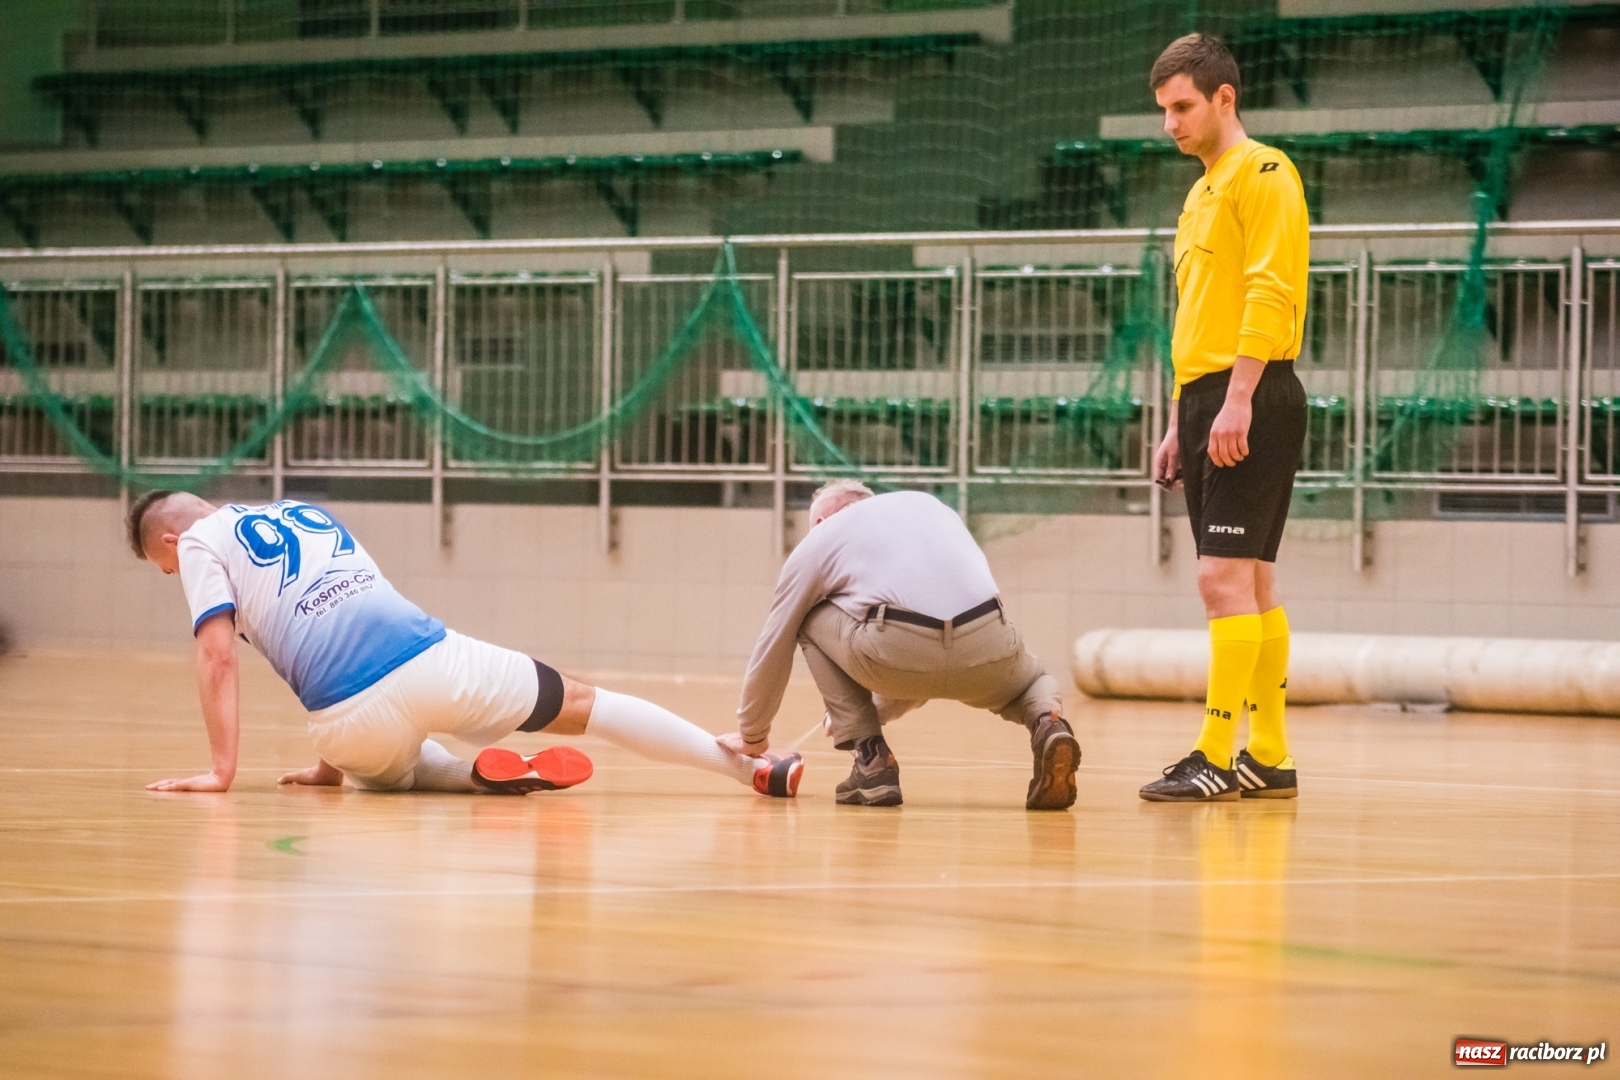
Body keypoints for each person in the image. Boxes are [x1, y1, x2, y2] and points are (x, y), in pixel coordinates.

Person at [127, 491, 803, 799]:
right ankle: (750, 770)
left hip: (347, 718)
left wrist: (224, 772)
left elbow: (227, 655)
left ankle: (465, 774)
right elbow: (331, 606)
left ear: (167, 542)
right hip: (432, 659)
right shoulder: (301, 513)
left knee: (394, 773)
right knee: (589, 704)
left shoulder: (192, 543)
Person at [1139, 33, 1309, 802]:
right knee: (1254, 582)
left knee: (1219, 581)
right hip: (1208, 395)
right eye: (1164, 110)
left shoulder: (1264, 172)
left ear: (1223, 98)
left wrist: (1238, 397)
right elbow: (1200, 314)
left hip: (1255, 389)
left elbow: (1271, 291)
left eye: (1182, 107)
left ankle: (1214, 750)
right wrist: (1184, 416)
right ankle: (1268, 756)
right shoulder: (1201, 189)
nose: (1170, 123)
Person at [719, 480, 1078, 810]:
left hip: (895, 649)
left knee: (807, 619)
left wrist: (753, 734)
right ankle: (1049, 724)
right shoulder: (931, 509)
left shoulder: (822, 536)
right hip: (987, 641)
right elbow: (933, 643)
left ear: (821, 521)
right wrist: (870, 709)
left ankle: (871, 760)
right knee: (1034, 681)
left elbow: (775, 639)